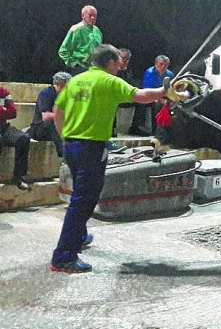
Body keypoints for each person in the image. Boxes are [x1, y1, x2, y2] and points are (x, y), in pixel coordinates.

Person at [50, 44, 188, 273]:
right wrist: (168, 92)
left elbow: (58, 112)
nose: (121, 66)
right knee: (84, 201)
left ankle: (79, 236)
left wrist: (65, 136)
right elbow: (141, 96)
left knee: (80, 194)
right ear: (112, 62)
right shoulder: (109, 81)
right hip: (91, 148)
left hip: (72, 145)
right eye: (119, 62)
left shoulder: (75, 80)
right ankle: (63, 257)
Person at [28, 71, 72, 157]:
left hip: (61, 127)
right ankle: (64, 155)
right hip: (40, 128)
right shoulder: (46, 93)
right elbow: (46, 116)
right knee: (53, 123)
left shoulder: (67, 96)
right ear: (59, 85)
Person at [0, 86, 32, 191]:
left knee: (23, 138)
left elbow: (13, 112)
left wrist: (3, 111)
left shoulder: (3, 91)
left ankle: (19, 177)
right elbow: (7, 111)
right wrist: (3, 110)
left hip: (3, 127)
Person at [134, 55, 175, 135]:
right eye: (161, 64)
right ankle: (150, 129)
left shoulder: (170, 74)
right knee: (154, 106)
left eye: (166, 65)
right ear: (156, 64)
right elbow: (147, 89)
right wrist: (159, 98)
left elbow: (170, 88)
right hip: (150, 95)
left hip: (163, 96)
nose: (163, 67)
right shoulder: (149, 72)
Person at [58, 5, 103, 76]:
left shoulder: (97, 31)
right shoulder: (76, 29)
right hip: (80, 68)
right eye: (90, 15)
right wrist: (74, 64)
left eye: (95, 16)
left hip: (94, 68)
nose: (93, 18)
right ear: (83, 16)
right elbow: (63, 51)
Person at [115, 48, 139, 136]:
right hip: (111, 103)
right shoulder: (110, 70)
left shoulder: (132, 71)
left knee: (122, 131)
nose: (125, 61)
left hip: (125, 104)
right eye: (123, 58)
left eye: (127, 58)